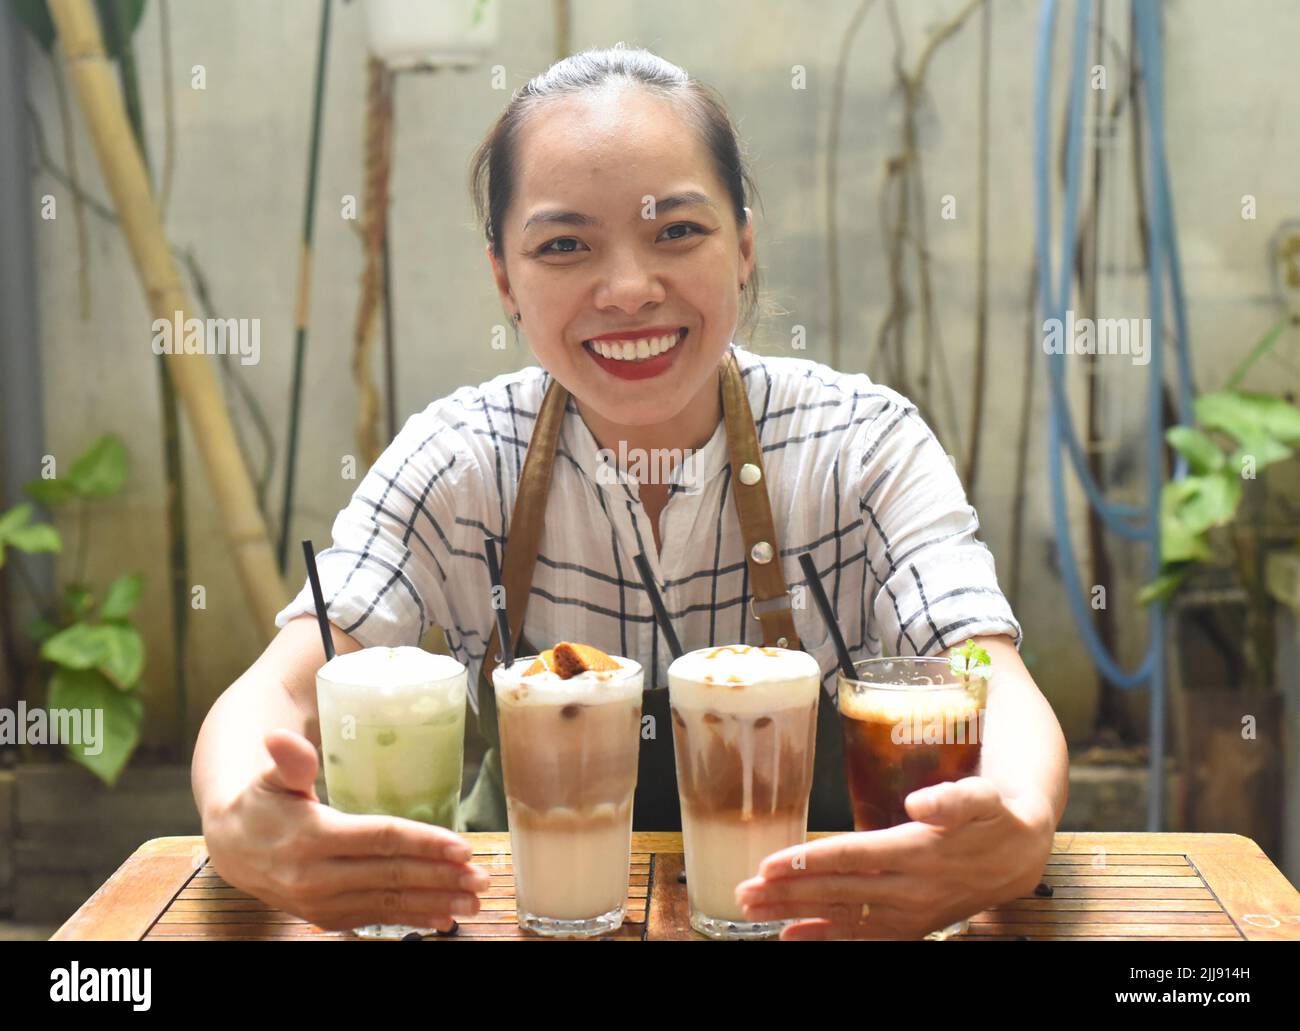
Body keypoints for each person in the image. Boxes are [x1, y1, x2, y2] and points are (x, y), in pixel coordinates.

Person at [193, 43, 1067, 939]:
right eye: (564, 244)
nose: (627, 290)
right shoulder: (459, 461)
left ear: (745, 247)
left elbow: (984, 674)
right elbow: (278, 689)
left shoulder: (863, 446)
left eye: (677, 231)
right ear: (505, 277)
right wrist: (242, 819)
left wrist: (1018, 820)